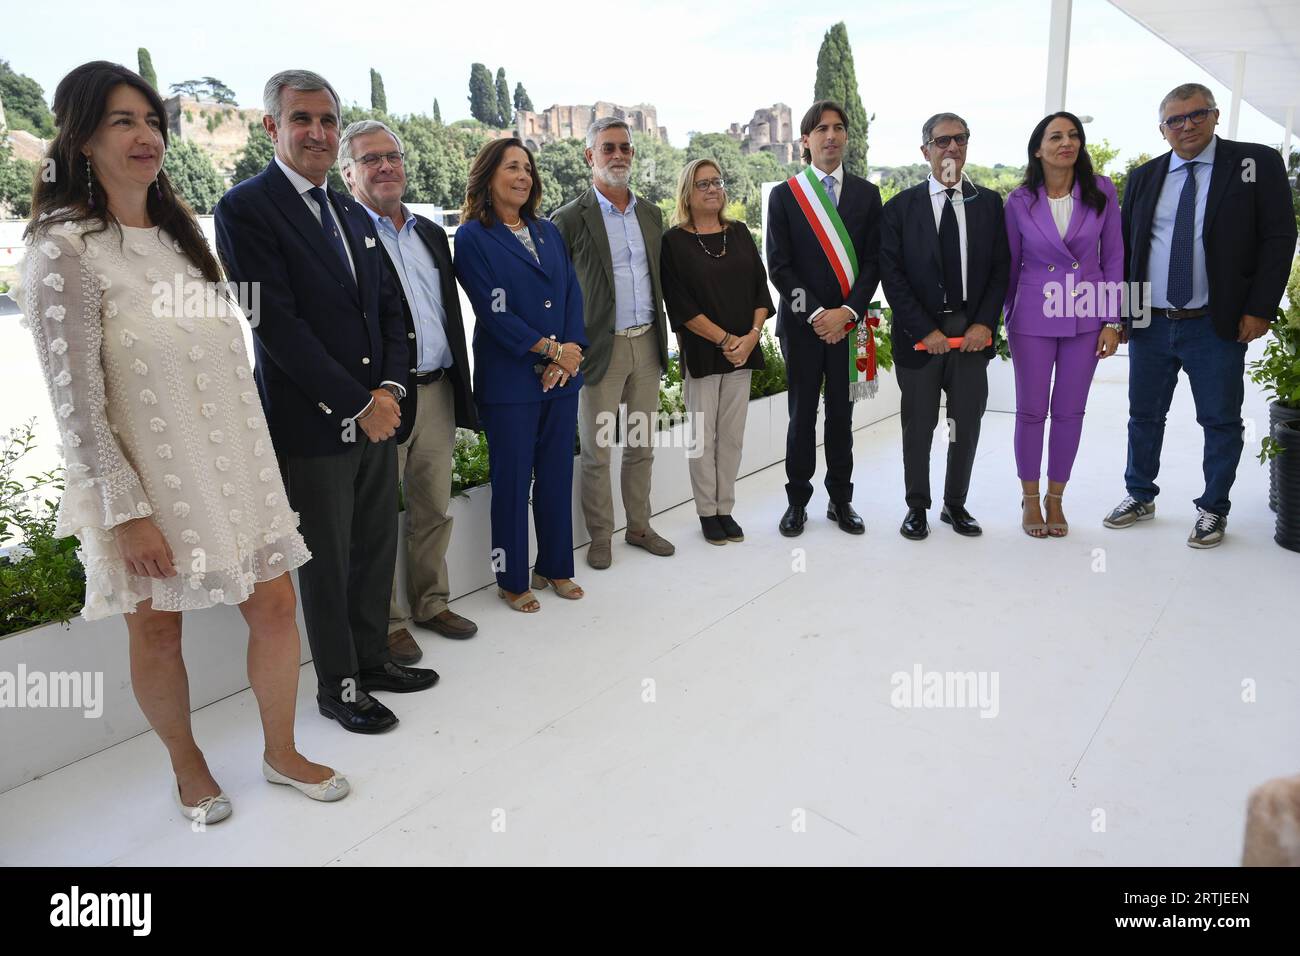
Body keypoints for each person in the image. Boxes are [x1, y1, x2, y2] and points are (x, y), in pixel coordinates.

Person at [20, 61, 348, 824]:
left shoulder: (179, 238)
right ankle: (186, 763)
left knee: (273, 606)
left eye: (152, 122)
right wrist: (125, 510)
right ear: (80, 139)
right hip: (146, 483)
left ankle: (280, 750)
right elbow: (76, 402)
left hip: (234, 465)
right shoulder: (60, 252)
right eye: (121, 122)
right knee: (157, 626)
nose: (145, 138)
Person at [214, 70, 438, 736]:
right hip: (312, 427)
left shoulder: (348, 210)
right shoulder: (244, 209)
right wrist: (354, 402)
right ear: (271, 127)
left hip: (378, 416)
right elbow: (273, 324)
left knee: (374, 546)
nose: (317, 131)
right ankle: (339, 688)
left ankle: (373, 663)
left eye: (328, 120)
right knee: (329, 563)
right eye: (302, 118)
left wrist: (391, 392)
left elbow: (392, 309)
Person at [1104, 82, 1297, 548]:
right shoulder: (1146, 175)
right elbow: (1129, 249)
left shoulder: (1254, 163)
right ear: (1162, 129)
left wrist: (1259, 309)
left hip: (1218, 323)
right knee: (1143, 416)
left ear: (1214, 116)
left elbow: (1278, 238)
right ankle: (1139, 494)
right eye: (1175, 119)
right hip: (1151, 319)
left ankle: (1213, 508)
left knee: (1220, 420)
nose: (1186, 125)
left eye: (1197, 114)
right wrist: (1123, 315)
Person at [339, 119, 479, 661]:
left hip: (438, 389)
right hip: (383, 401)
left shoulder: (428, 232)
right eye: (371, 159)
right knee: (375, 519)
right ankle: (388, 621)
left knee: (432, 506)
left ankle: (431, 601)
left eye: (391, 156)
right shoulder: (346, 235)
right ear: (349, 173)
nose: (385, 167)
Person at [453, 138, 587, 612]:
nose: (523, 176)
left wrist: (569, 355)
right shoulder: (472, 236)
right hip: (510, 383)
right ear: (488, 176)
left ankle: (555, 565)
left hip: (561, 380)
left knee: (556, 474)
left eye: (528, 168)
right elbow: (494, 311)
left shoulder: (548, 231)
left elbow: (572, 293)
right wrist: (549, 348)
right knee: (512, 483)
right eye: (512, 167)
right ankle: (511, 578)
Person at [880, 112, 1010, 540]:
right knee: (919, 427)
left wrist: (984, 324)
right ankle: (916, 506)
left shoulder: (990, 204)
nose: (951, 148)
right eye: (942, 141)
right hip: (921, 341)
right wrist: (924, 330)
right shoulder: (900, 208)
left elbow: (999, 270)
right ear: (925, 151)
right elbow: (892, 275)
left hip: (972, 336)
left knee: (965, 424)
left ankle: (955, 505)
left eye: (960, 139)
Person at [552, 117, 674, 569]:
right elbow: (558, 290)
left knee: (641, 445)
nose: (618, 155)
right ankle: (601, 536)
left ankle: (639, 526)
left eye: (625, 147)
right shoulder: (567, 219)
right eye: (608, 148)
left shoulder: (650, 214)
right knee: (598, 451)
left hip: (645, 346)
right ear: (590, 156)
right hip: (598, 352)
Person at [1003, 111, 1124, 538]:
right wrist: (1006, 318)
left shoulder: (1102, 192)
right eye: (1055, 137)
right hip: (1032, 318)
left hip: (1088, 316)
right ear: (1039, 148)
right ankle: (1030, 498)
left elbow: (1113, 257)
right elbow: (1010, 265)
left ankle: (1057, 498)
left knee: (1070, 412)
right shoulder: (1018, 201)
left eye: (1073, 135)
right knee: (1032, 412)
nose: (1065, 142)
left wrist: (1113, 319)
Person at [766, 100, 881, 537]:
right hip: (803, 327)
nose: (830, 136)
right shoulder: (786, 196)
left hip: (851, 328)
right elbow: (779, 266)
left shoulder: (868, 195)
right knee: (802, 417)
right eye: (821, 129)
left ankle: (841, 500)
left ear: (846, 137)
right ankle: (797, 501)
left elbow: (874, 262)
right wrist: (817, 314)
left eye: (838, 128)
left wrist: (847, 313)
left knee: (842, 416)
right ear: (806, 140)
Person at [661, 160, 775, 543]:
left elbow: (762, 288)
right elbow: (680, 305)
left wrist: (752, 336)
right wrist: (726, 340)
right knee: (703, 437)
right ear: (687, 194)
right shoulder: (674, 242)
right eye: (702, 184)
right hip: (706, 353)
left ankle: (725, 507)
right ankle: (707, 512)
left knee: (731, 436)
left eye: (716, 182)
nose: (712, 189)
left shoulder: (740, 233)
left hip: (743, 350)